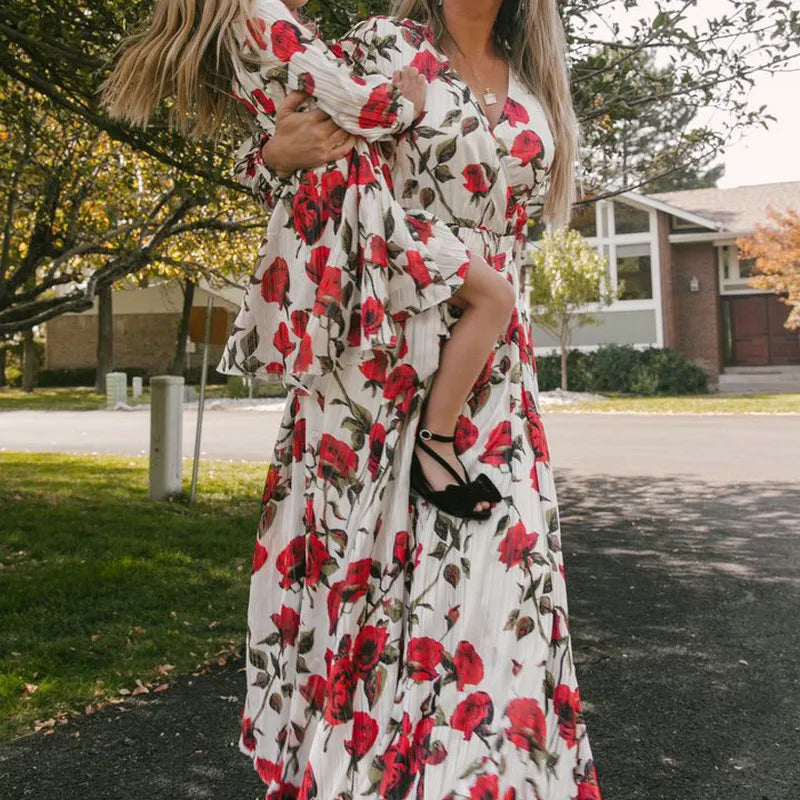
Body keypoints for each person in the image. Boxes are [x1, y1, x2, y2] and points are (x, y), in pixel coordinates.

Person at [232, 1, 604, 798]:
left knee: (504, 593)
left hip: (498, 382)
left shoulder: (539, 82)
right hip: (387, 361)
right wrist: (271, 153)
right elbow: (298, 138)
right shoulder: (385, 45)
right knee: (377, 598)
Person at [99, 0, 512, 518]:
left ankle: (423, 449)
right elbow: (350, 107)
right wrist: (408, 104)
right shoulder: (266, 18)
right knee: (494, 297)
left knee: (459, 307)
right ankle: (435, 443)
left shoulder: (245, 30)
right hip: (358, 206)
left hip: (338, 208)